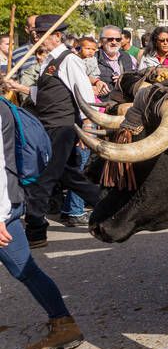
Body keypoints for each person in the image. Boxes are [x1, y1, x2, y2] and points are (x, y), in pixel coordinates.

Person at [1, 15, 102, 243]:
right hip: (47, 126)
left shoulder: (70, 60)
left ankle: (36, 230)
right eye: (36, 34)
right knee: (69, 176)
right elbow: (44, 95)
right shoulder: (48, 61)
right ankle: (110, 206)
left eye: (41, 34)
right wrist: (17, 86)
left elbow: (85, 96)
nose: (36, 38)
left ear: (57, 36)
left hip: (63, 128)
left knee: (44, 178)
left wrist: (87, 127)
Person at [0, 108, 85, 349]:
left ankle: (64, 325)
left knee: (25, 270)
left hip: (4, 209)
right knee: (25, 270)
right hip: (9, 206)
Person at [96, 25, 136, 92]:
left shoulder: (127, 57)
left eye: (118, 39)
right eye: (110, 39)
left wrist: (124, 80)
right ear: (101, 41)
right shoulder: (93, 59)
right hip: (103, 100)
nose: (114, 42)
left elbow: (134, 77)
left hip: (124, 98)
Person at [9, 15, 39, 80]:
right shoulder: (16, 54)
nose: (38, 30)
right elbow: (12, 81)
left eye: (40, 27)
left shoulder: (53, 50)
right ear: (27, 29)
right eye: (34, 28)